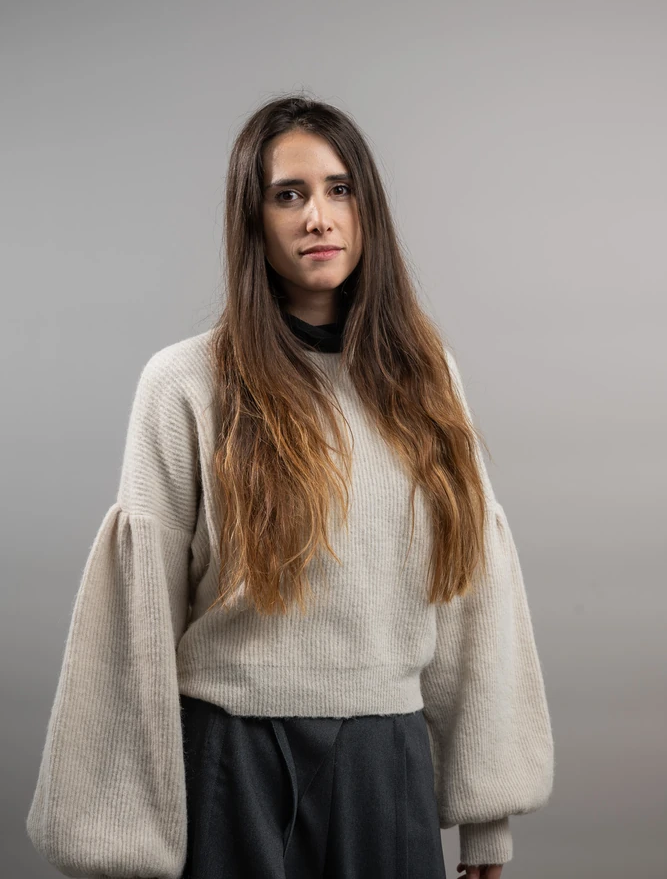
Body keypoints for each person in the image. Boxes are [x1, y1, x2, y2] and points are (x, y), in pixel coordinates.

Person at [25, 94, 554, 879]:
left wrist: (486, 818)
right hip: (233, 761)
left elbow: (470, 591)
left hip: (385, 763)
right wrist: (122, 842)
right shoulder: (185, 384)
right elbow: (135, 620)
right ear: (253, 219)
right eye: (288, 195)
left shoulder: (424, 380)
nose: (317, 217)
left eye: (339, 190)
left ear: (367, 209)